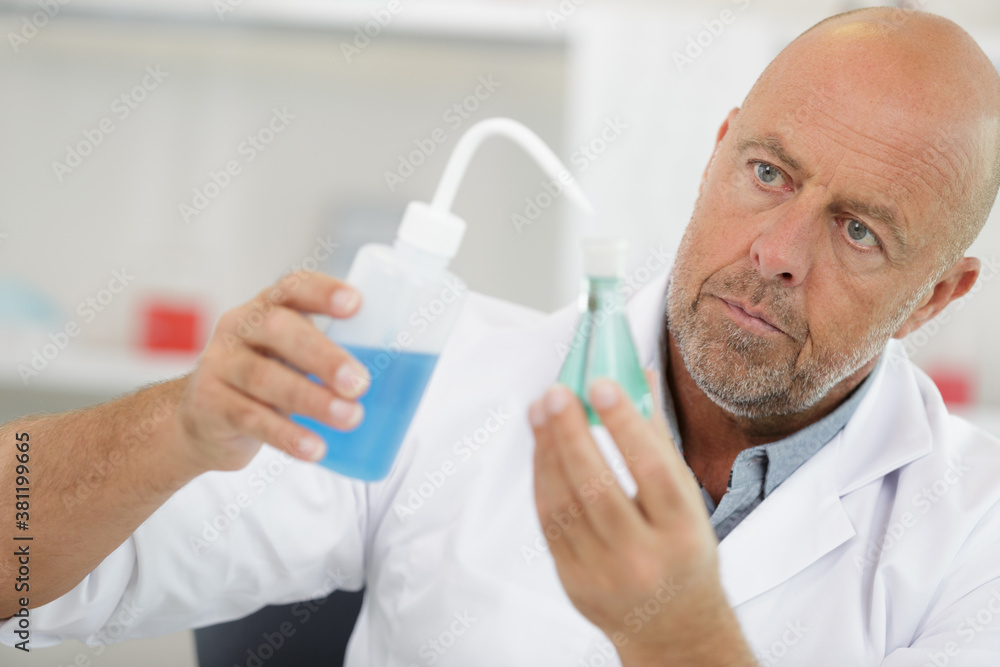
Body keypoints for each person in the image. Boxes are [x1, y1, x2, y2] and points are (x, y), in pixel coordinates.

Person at [4, 6, 1000, 664]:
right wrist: (174, 426)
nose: (779, 250)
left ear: (934, 298)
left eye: (859, 229)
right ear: (717, 151)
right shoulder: (433, 379)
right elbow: (17, 570)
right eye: (769, 174)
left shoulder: (975, 528)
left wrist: (675, 632)